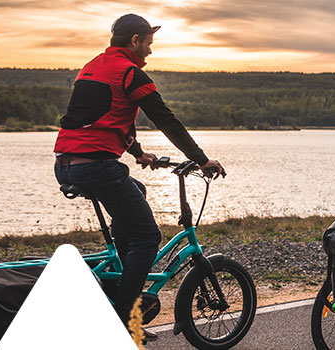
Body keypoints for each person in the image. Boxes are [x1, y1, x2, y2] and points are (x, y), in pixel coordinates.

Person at [52, 13, 226, 330]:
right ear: (135, 41)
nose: (150, 51)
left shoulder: (91, 67)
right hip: (97, 168)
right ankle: (123, 321)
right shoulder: (130, 73)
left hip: (64, 164)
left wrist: (137, 152)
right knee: (148, 238)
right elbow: (166, 120)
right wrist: (201, 160)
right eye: (148, 43)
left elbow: (102, 116)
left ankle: (122, 272)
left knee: (138, 193)